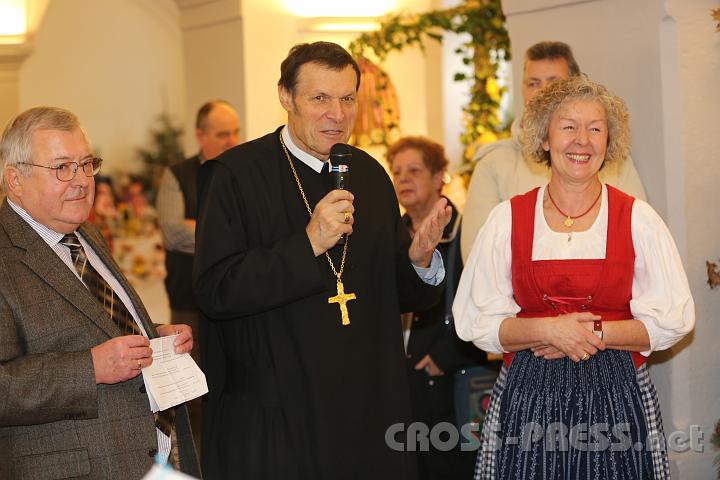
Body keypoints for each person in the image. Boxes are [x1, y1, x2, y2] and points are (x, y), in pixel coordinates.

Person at [194, 41, 452, 479]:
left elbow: (396, 295)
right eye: (320, 98)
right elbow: (216, 291)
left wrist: (419, 259)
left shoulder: (369, 175)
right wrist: (308, 243)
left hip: (366, 409)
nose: (337, 114)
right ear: (286, 97)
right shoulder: (235, 175)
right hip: (282, 416)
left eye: (347, 99)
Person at [453, 75, 694, 479]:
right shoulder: (507, 220)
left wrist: (590, 333)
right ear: (544, 138)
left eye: (595, 129)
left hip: (617, 399)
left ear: (608, 142)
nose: (582, 140)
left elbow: (672, 320)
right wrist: (548, 329)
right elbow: (477, 322)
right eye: (568, 127)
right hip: (529, 400)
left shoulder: (638, 219)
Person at [0, 107, 200, 478]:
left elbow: (94, 322)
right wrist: (90, 368)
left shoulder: (84, 233)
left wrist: (152, 334)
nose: (82, 181)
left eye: (86, 164)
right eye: (62, 167)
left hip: (152, 458)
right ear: (16, 179)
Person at [461, 41, 647, 261]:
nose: (543, 92)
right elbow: (478, 257)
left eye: (554, 83)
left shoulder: (609, 160)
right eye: (533, 83)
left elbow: (637, 244)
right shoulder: (494, 164)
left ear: (576, 88)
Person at [388, 136, 487, 480]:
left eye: (414, 170)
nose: (403, 178)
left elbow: (481, 300)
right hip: (402, 380)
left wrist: (445, 356)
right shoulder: (391, 234)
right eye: (397, 172)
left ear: (438, 177)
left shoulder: (464, 231)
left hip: (448, 377)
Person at [156, 99, 240, 452]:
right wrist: (227, 232)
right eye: (222, 134)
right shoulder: (178, 175)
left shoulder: (242, 170)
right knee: (190, 382)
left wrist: (202, 227)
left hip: (235, 297)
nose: (232, 141)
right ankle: (195, 457)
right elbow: (173, 231)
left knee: (232, 377)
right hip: (188, 299)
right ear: (200, 135)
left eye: (235, 132)